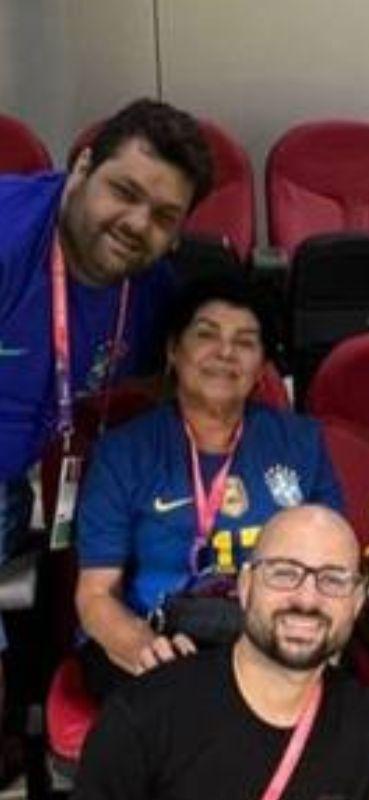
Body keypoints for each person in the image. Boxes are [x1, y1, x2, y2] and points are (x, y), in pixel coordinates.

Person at [0, 98, 211, 722]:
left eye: (164, 216)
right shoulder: (9, 234)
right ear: (83, 167)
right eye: (124, 191)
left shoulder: (154, 298)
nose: (137, 223)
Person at [74, 278, 344, 697]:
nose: (225, 352)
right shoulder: (123, 452)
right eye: (206, 335)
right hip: (156, 639)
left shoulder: (301, 443)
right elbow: (95, 593)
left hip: (270, 641)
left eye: (245, 342)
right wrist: (144, 648)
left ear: (261, 366)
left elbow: (333, 568)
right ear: (173, 351)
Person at [72, 505, 369, 800]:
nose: (307, 600)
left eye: (333, 580)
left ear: (357, 601)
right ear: (245, 586)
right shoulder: (144, 717)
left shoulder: (367, 722)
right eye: (284, 573)